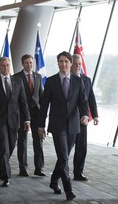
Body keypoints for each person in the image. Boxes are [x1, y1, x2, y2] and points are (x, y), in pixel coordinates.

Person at [38, 51, 89, 201]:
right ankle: (69, 190)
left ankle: (54, 181)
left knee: (63, 157)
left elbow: (83, 102)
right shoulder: (51, 81)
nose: (64, 64)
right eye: (61, 61)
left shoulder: (78, 81)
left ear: (71, 64)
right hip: (57, 125)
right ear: (58, 63)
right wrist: (41, 126)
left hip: (73, 125)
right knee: (63, 156)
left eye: (66, 62)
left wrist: (85, 115)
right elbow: (44, 105)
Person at [0, 57, 30, 187]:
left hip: (15, 119)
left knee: (12, 145)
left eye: (7, 65)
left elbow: (23, 102)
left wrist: (27, 120)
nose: (6, 68)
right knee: (4, 146)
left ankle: (0, 165)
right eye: (3, 65)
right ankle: (6, 176)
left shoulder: (17, 81)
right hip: (0, 119)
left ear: (10, 66)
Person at [14, 54, 45, 177]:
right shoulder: (16, 77)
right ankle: (23, 168)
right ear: (22, 64)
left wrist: (43, 112)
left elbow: (41, 95)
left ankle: (39, 168)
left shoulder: (38, 76)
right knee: (22, 140)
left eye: (31, 63)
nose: (29, 65)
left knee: (38, 140)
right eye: (26, 63)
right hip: (22, 113)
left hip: (36, 112)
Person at [71, 54, 99, 181]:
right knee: (66, 148)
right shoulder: (67, 79)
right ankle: (61, 171)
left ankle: (78, 172)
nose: (77, 66)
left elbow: (91, 99)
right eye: (75, 64)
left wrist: (95, 115)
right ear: (71, 64)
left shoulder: (86, 80)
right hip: (69, 120)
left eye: (79, 64)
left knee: (82, 147)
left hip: (83, 120)